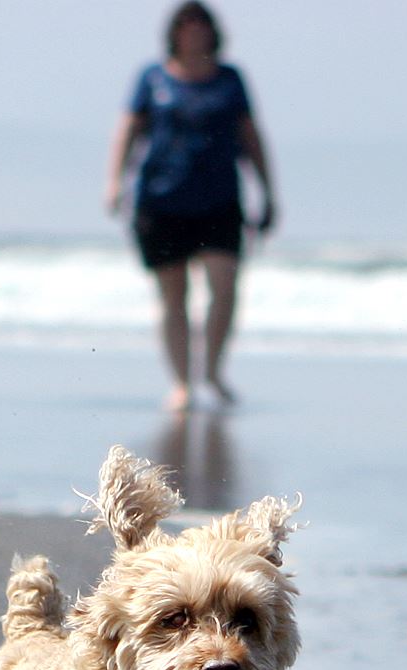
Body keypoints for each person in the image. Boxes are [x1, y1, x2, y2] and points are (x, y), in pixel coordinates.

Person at [104, 2, 276, 411]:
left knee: (224, 287)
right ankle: (181, 383)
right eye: (186, 27)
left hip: (219, 199)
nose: (193, 35)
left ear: (212, 33)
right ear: (175, 33)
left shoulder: (230, 80)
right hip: (162, 199)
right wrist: (115, 182)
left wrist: (268, 190)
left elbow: (251, 136)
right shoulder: (153, 78)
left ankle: (213, 372)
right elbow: (127, 129)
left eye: (200, 27)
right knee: (172, 294)